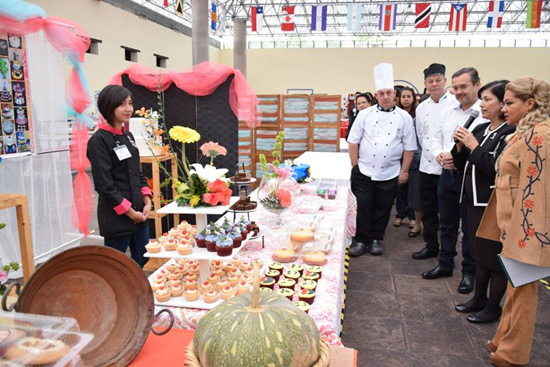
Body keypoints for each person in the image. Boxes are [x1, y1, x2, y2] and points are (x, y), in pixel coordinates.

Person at [477, 77, 550, 367]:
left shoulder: (540, 136)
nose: (504, 108)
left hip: (527, 225)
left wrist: (527, 233)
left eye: (509, 103)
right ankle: (502, 341)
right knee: (516, 285)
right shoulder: (525, 132)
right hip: (512, 222)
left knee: (523, 289)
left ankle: (513, 354)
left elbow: (537, 190)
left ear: (530, 104)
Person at [451, 80, 516, 324]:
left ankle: (493, 306)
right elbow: (463, 164)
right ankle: (478, 298)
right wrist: (458, 148)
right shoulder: (481, 129)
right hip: (471, 201)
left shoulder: (510, 133)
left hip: (492, 203)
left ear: (502, 104)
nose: (482, 104)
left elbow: (494, 168)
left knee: (493, 257)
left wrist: (472, 145)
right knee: (478, 253)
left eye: (488, 99)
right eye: (482, 99)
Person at [422, 67, 486, 295]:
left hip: (470, 179)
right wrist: (440, 154)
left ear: (477, 85)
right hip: (447, 176)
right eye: (456, 87)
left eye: (464, 86)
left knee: (468, 229)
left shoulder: (484, 113)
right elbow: (436, 137)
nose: (459, 92)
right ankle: (445, 264)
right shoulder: (449, 111)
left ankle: (469, 272)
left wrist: (457, 157)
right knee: (446, 223)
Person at [348, 63, 417, 257]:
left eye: (389, 93)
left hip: (390, 172)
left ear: (394, 94)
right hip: (364, 170)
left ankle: (377, 239)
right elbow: (353, 142)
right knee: (363, 206)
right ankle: (362, 241)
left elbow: (409, 147)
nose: (385, 96)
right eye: (381, 93)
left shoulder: (404, 117)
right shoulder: (364, 114)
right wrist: (355, 167)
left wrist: (404, 171)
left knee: (383, 208)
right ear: (376, 95)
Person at [87, 85, 152, 267]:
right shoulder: (99, 141)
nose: (128, 109)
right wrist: (131, 213)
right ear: (109, 106)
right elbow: (104, 185)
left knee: (143, 258)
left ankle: (135, 294)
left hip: (139, 213)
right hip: (117, 218)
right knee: (114, 267)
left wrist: (147, 200)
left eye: (130, 103)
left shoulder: (128, 136)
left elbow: (136, 172)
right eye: (122, 104)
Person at [412, 63, 456, 258]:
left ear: (445, 81)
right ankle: (430, 246)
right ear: (425, 84)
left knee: (447, 215)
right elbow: (422, 136)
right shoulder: (421, 107)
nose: (434, 84)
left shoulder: (455, 104)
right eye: (430, 81)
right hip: (426, 166)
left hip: (448, 168)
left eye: (438, 80)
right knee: (428, 210)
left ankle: (448, 252)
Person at [393, 87, 419, 233]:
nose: (406, 99)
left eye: (409, 96)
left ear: (413, 98)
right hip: (399, 156)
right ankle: (399, 214)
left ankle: (412, 216)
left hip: (413, 157)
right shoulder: (396, 115)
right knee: (400, 188)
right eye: (403, 96)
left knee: (412, 189)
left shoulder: (418, 114)